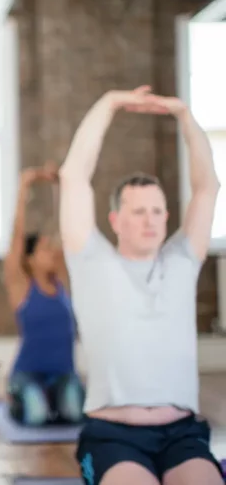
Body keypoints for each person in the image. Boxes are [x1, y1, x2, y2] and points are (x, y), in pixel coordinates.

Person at [59, 86, 222, 485]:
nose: (149, 220)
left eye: (156, 211)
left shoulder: (182, 261)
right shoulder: (92, 261)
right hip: (113, 436)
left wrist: (185, 116)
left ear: (168, 216)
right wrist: (108, 103)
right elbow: (74, 177)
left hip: (182, 433)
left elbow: (208, 187)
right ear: (115, 220)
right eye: (137, 212)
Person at [5, 162, 84, 426]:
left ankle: (54, 400)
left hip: (62, 374)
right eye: (43, 249)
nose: (51, 251)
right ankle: (20, 399)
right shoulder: (22, 286)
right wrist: (25, 184)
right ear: (29, 259)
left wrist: (62, 188)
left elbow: (68, 230)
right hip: (28, 374)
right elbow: (17, 237)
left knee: (74, 415)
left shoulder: (62, 279)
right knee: (36, 417)